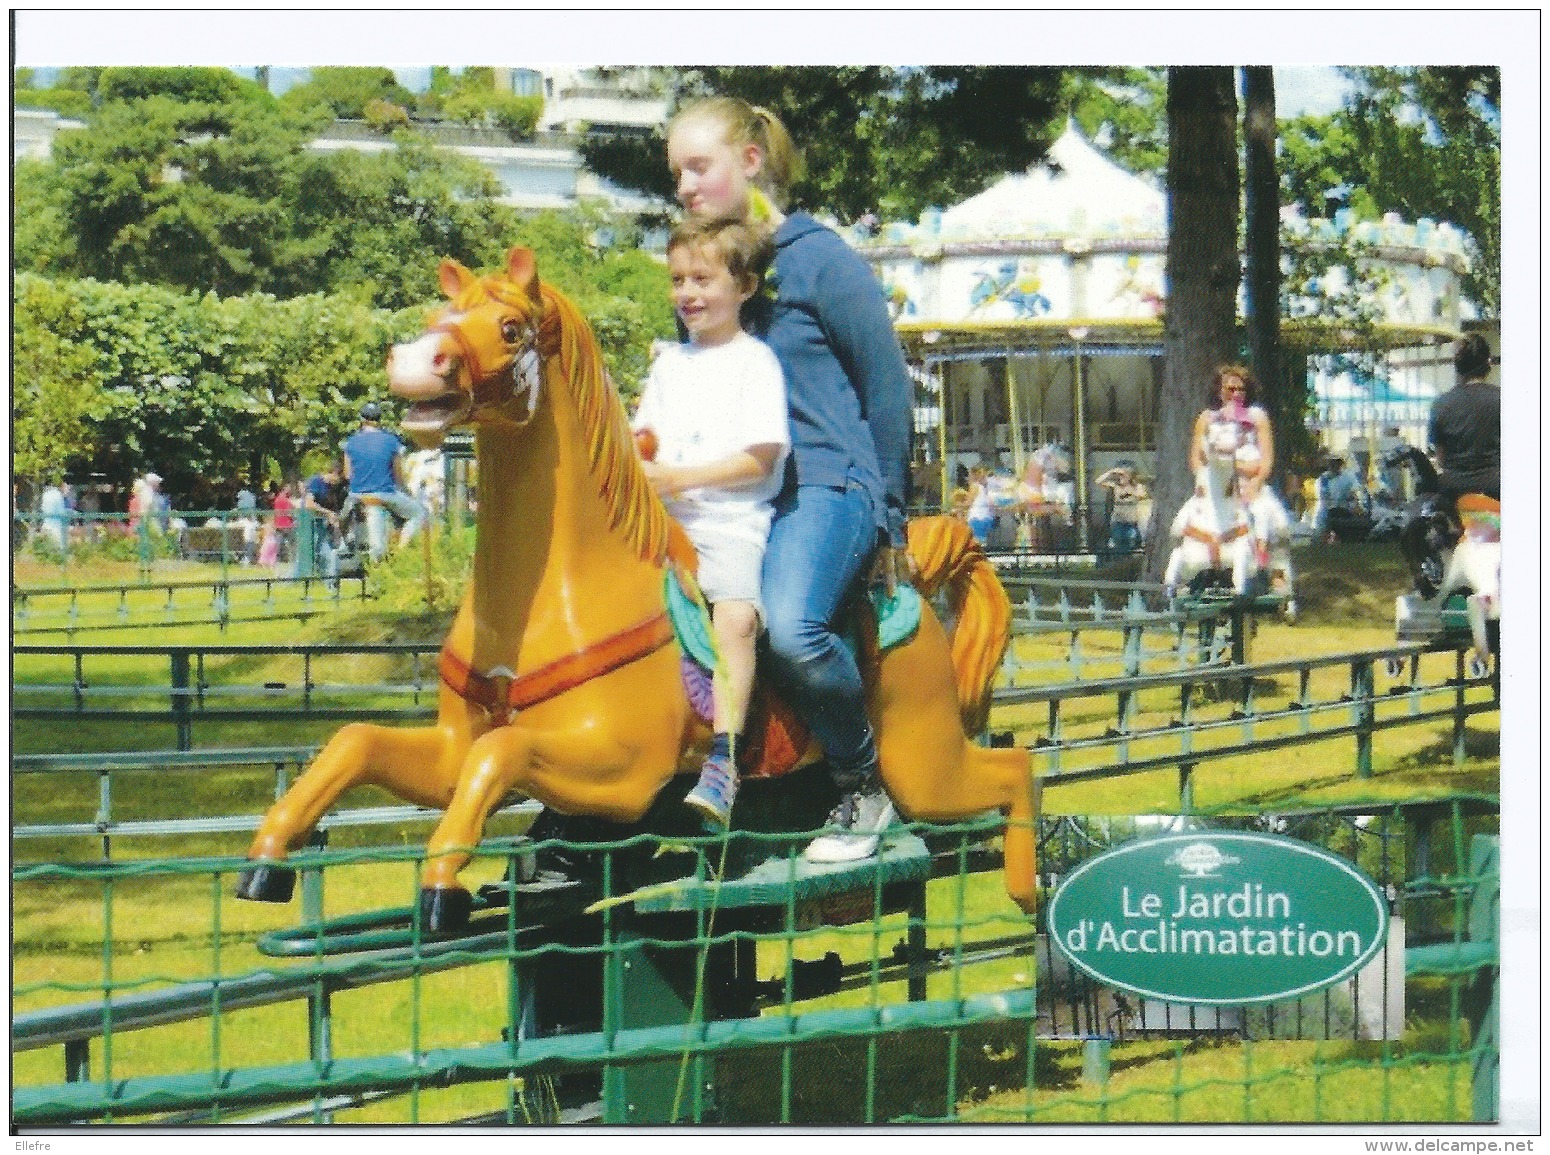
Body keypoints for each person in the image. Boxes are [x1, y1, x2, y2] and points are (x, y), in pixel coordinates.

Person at [667, 96, 913, 862]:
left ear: (748, 162)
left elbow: (885, 386)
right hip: (740, 494)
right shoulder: (702, 276)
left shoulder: (820, 259)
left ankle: (861, 783)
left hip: (824, 485)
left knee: (794, 627)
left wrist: (891, 518)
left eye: (697, 166)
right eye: (675, 172)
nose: (682, 185)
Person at [633, 217, 790, 830]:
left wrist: (681, 478)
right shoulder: (670, 364)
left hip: (730, 521)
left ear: (745, 285)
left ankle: (723, 761)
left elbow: (761, 456)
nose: (688, 293)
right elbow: (646, 437)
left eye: (703, 278)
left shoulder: (756, 363)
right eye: (678, 280)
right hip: (665, 519)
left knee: (734, 618)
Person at [1189, 365, 1291, 582]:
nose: (1236, 394)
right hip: (1215, 484)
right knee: (1185, 521)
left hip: (1249, 484)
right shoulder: (1207, 418)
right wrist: (1202, 480)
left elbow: (1266, 460)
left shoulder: (1257, 417)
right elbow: (1196, 458)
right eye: (1230, 389)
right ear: (1219, 391)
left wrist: (1256, 482)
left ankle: (1268, 567)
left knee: (1263, 513)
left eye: (1241, 389)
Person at [341, 402, 426, 562]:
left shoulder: (350, 443)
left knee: (343, 517)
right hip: (385, 494)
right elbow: (398, 475)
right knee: (420, 513)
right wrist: (406, 491)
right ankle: (400, 551)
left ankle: (348, 543)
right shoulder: (392, 441)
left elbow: (347, 475)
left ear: (362, 419)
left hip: (357, 495)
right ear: (379, 419)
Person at [1428, 334, 1500, 514]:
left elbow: (1441, 458)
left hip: (1453, 491)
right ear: (1488, 363)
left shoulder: (1440, 404)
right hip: (1496, 487)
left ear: (1457, 366)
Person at [303, 459, 348, 586]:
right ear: (333, 473)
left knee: (325, 551)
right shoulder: (316, 482)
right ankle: (328, 582)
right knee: (319, 552)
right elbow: (309, 504)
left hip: (323, 524)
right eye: (338, 478)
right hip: (310, 523)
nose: (338, 482)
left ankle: (328, 581)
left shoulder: (333, 488)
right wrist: (327, 513)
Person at [1095, 461, 1148, 559]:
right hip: (1118, 522)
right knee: (1118, 546)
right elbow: (1098, 482)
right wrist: (1111, 472)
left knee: (1130, 544)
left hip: (1131, 523)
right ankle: (1118, 564)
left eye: (1123, 475)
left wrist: (1130, 493)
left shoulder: (1137, 487)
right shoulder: (1115, 486)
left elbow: (1143, 495)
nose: (1121, 477)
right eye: (1119, 475)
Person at [965, 465, 995, 545]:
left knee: (976, 542)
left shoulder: (974, 486)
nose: (968, 478)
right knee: (984, 541)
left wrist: (957, 505)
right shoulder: (988, 486)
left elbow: (969, 503)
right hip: (988, 516)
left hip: (976, 517)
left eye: (969, 475)